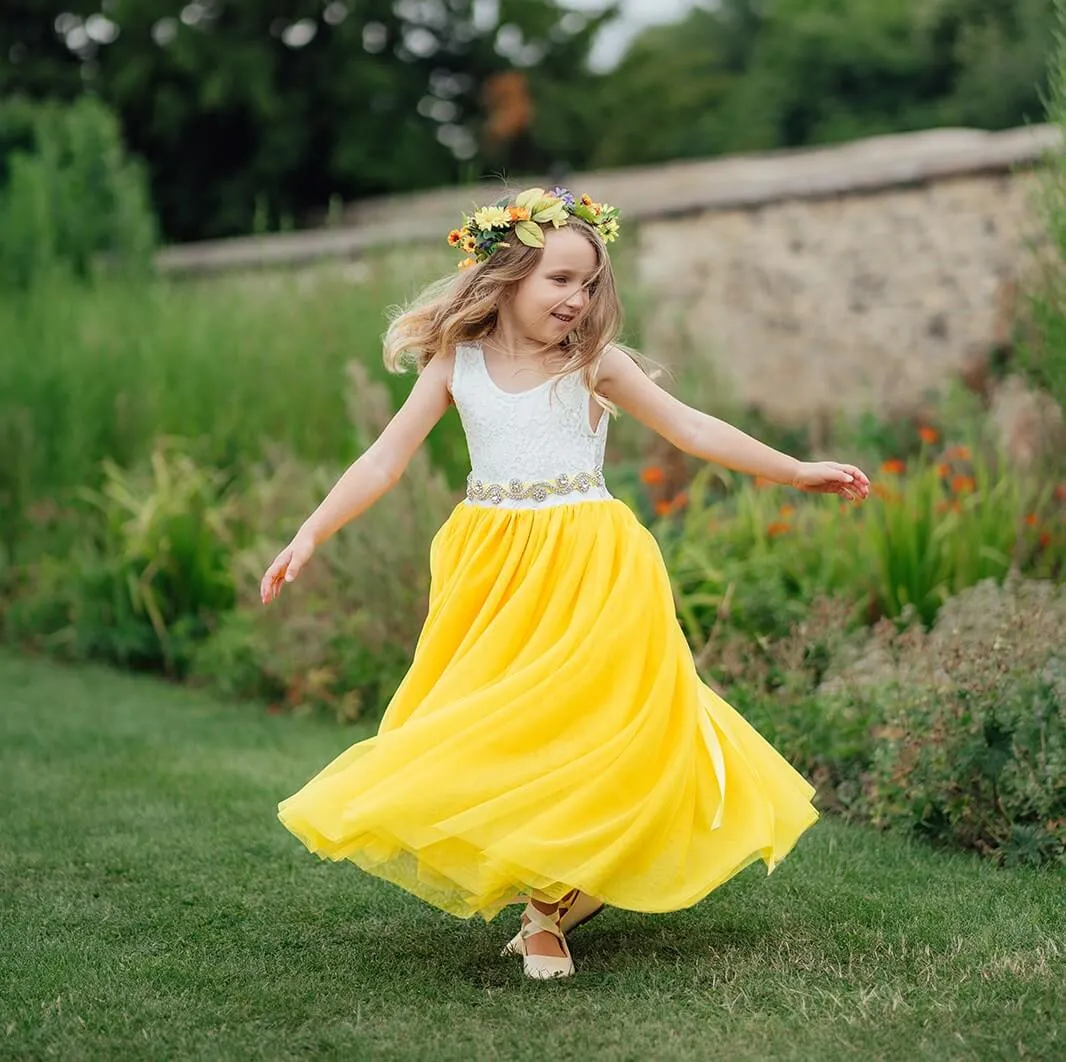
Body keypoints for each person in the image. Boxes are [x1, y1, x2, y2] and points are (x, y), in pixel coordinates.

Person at [261, 186, 870, 981]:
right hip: (492, 572)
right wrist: (310, 531)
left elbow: (691, 427)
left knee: (597, 732)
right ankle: (554, 884)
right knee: (503, 728)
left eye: (588, 284)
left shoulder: (594, 364)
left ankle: (547, 915)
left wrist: (795, 471)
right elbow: (385, 457)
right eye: (559, 281)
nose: (577, 299)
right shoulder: (458, 364)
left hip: (594, 565)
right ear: (508, 276)